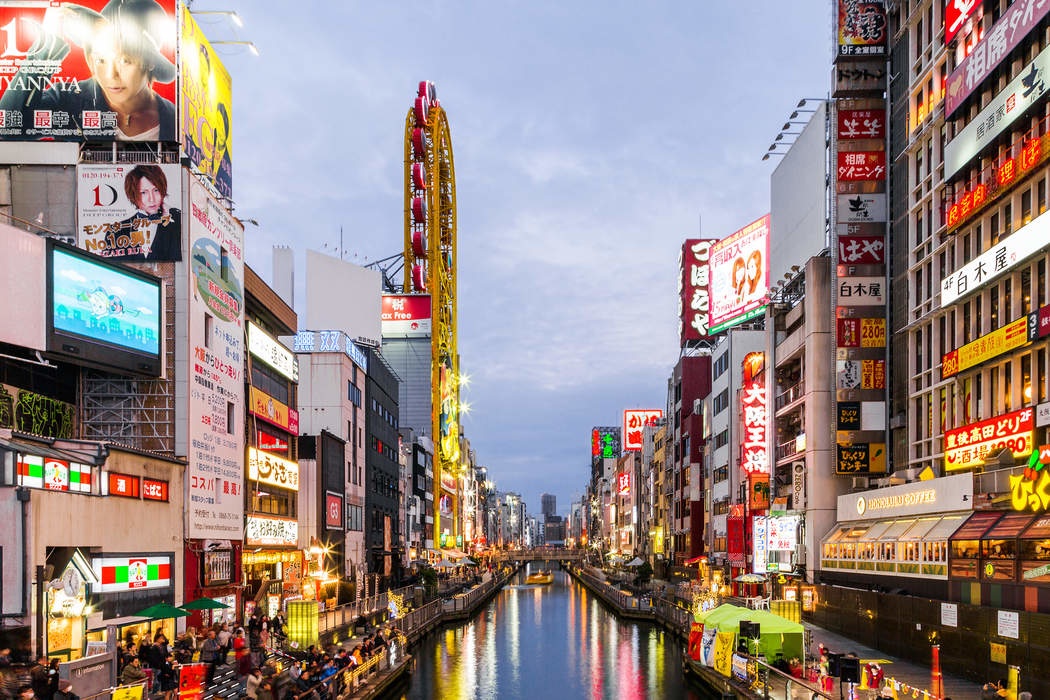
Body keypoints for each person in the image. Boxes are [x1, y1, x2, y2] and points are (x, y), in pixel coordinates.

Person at [0, 0, 177, 141]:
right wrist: (47, 49)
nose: (111, 75)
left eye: (125, 61)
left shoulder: (173, 119)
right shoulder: (70, 100)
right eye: (101, 60)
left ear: (150, 62)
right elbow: (6, 128)